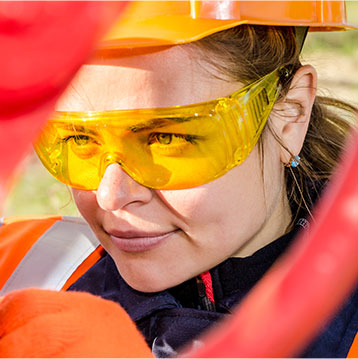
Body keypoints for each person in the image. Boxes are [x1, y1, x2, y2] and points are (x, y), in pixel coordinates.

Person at [1, 1, 357, 357]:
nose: (110, 195)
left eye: (166, 139)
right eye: (79, 139)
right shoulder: (17, 271)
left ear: (290, 114)